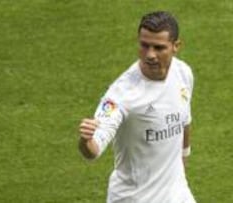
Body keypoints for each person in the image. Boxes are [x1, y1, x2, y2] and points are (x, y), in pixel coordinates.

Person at [78, 11, 196, 203]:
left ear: (176, 46)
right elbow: (93, 150)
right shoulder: (121, 95)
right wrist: (85, 140)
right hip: (135, 198)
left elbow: (184, 122)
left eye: (159, 48)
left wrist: (183, 165)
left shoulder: (183, 73)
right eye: (144, 45)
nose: (150, 55)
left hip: (177, 195)